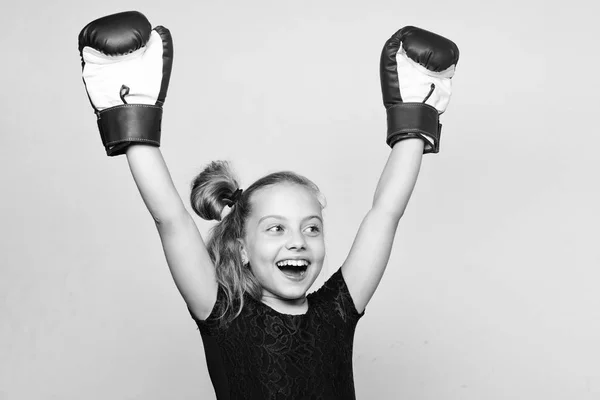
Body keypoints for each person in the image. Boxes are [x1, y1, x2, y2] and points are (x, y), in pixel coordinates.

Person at [78, 11, 459, 400]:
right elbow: (170, 218)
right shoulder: (222, 312)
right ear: (241, 245)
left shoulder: (337, 313)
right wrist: (129, 113)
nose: (298, 241)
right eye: (276, 228)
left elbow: (386, 213)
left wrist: (416, 113)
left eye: (311, 228)